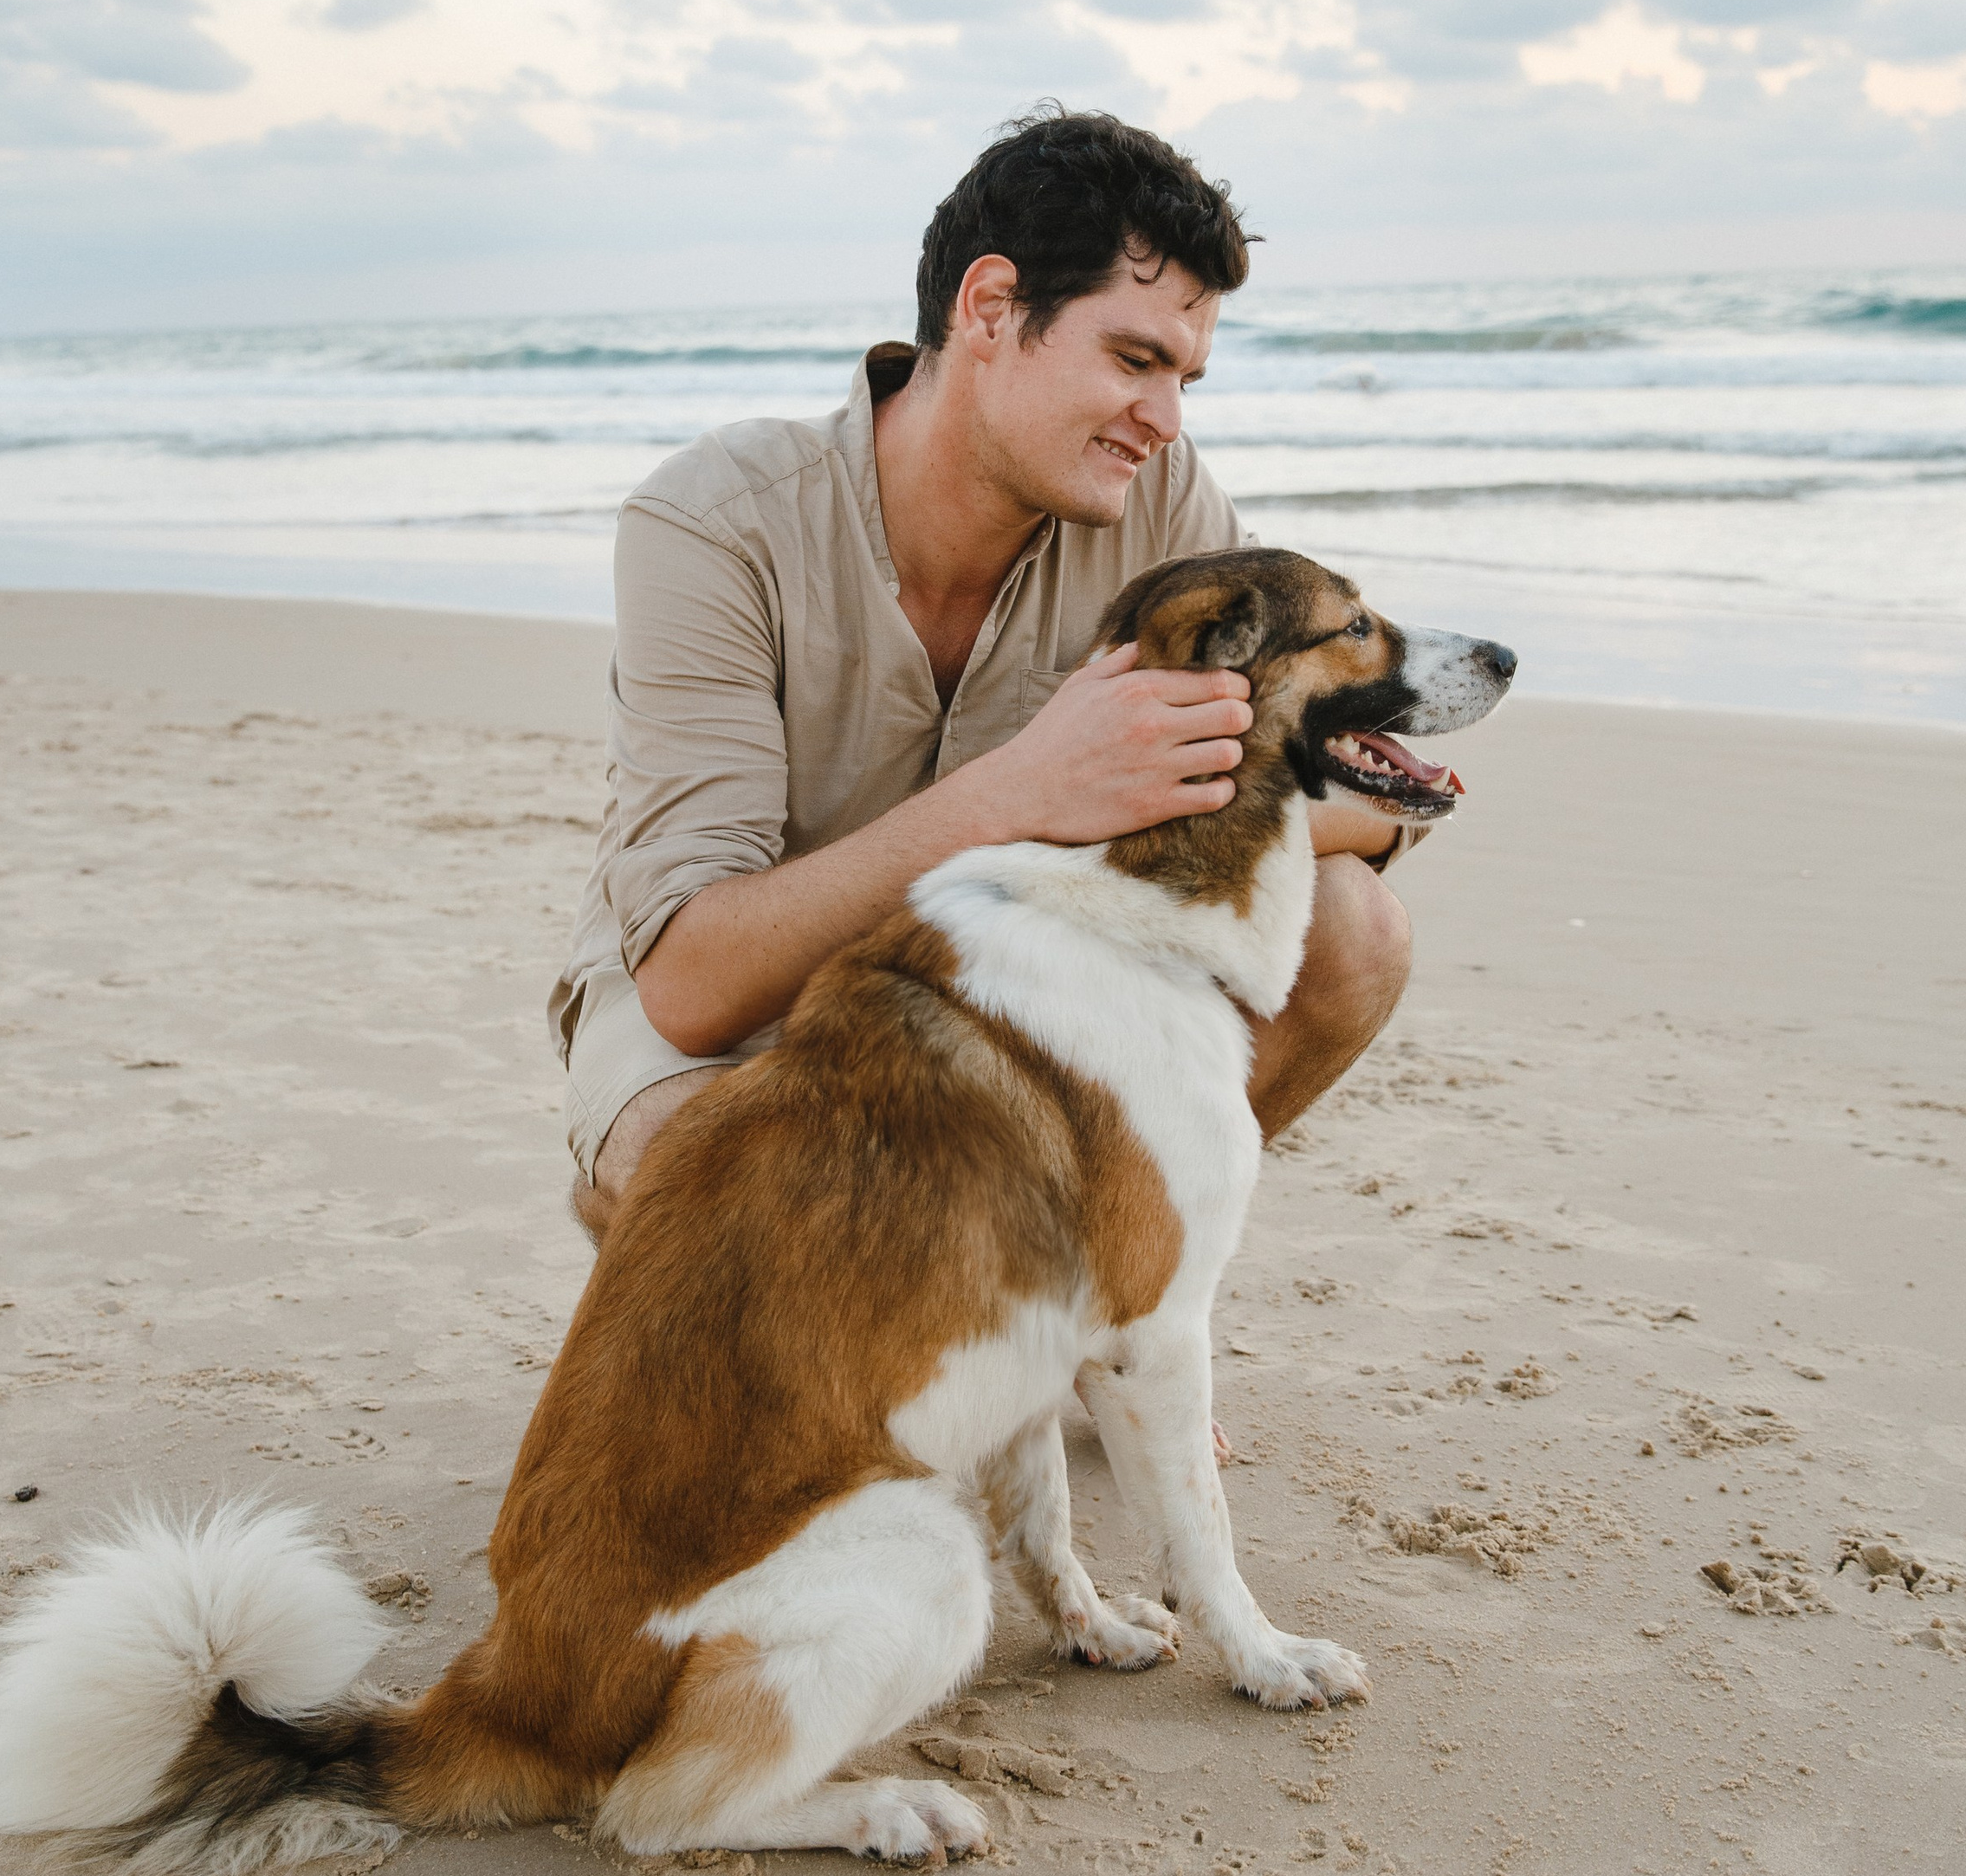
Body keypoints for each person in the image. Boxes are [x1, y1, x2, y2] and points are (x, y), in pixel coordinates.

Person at [550, 107, 1425, 1278]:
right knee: (689, 1159)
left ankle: (1078, 1298)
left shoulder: (1160, 508)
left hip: (1006, 988)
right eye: (1134, 361)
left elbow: (1350, 801)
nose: (1166, 422)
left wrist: (1257, 792)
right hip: (745, 1015)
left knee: (1351, 931)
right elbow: (692, 983)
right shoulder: (713, 524)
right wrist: (1025, 791)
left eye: (1186, 377)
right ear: (991, 309)